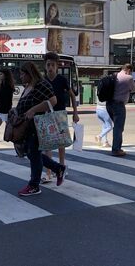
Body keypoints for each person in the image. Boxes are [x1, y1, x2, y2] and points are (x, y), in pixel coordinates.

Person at [16, 62, 67, 196]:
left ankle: (34, 185)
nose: (20, 77)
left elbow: (53, 101)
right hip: (27, 126)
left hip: (37, 125)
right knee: (32, 153)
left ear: (29, 73)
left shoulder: (41, 84)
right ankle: (58, 168)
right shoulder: (28, 86)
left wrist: (34, 109)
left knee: (33, 154)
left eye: (22, 74)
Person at [42, 52, 79, 183]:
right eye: (48, 65)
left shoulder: (62, 80)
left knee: (61, 142)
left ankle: (61, 166)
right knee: (48, 143)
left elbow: (72, 96)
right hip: (47, 115)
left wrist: (75, 112)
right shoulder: (43, 81)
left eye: (52, 65)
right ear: (45, 66)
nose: (50, 67)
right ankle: (48, 171)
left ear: (57, 66)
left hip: (60, 114)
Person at [106, 64, 135, 157]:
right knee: (118, 128)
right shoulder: (129, 78)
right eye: (131, 70)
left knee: (117, 126)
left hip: (108, 104)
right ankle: (116, 149)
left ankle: (116, 147)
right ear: (128, 69)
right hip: (118, 105)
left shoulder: (114, 76)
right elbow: (134, 89)